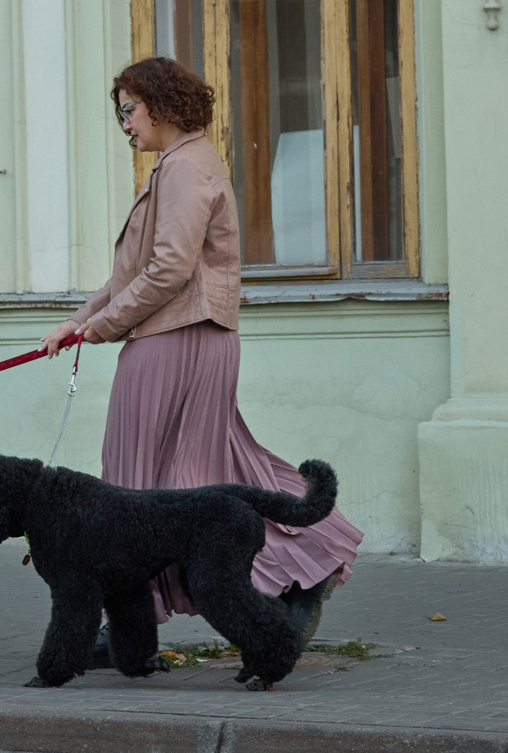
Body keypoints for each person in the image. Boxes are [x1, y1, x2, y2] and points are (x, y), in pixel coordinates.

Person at [42, 55, 360, 653]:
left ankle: (146, 624)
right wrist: (78, 322)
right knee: (206, 475)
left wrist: (102, 327)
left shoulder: (186, 167)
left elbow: (167, 270)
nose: (125, 125)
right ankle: (296, 576)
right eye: (120, 113)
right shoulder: (177, 164)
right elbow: (134, 272)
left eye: (128, 110)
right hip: (179, 335)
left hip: (179, 337)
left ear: (160, 105)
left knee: (153, 489)